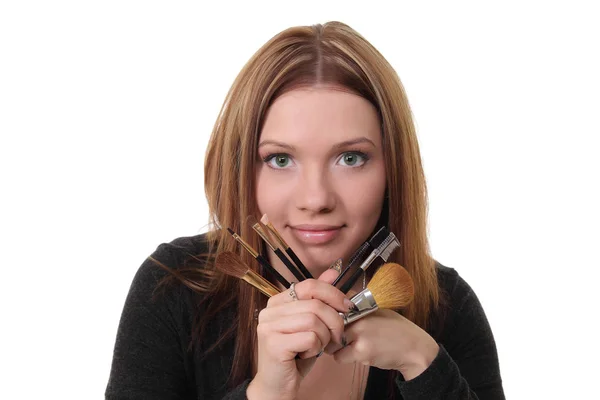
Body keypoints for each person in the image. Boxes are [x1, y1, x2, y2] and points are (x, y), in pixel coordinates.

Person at [105, 21, 505, 399]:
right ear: (242, 168)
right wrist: (265, 392)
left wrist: (423, 362)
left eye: (350, 158)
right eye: (280, 160)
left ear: (393, 170)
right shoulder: (173, 287)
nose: (315, 199)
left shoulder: (447, 305)